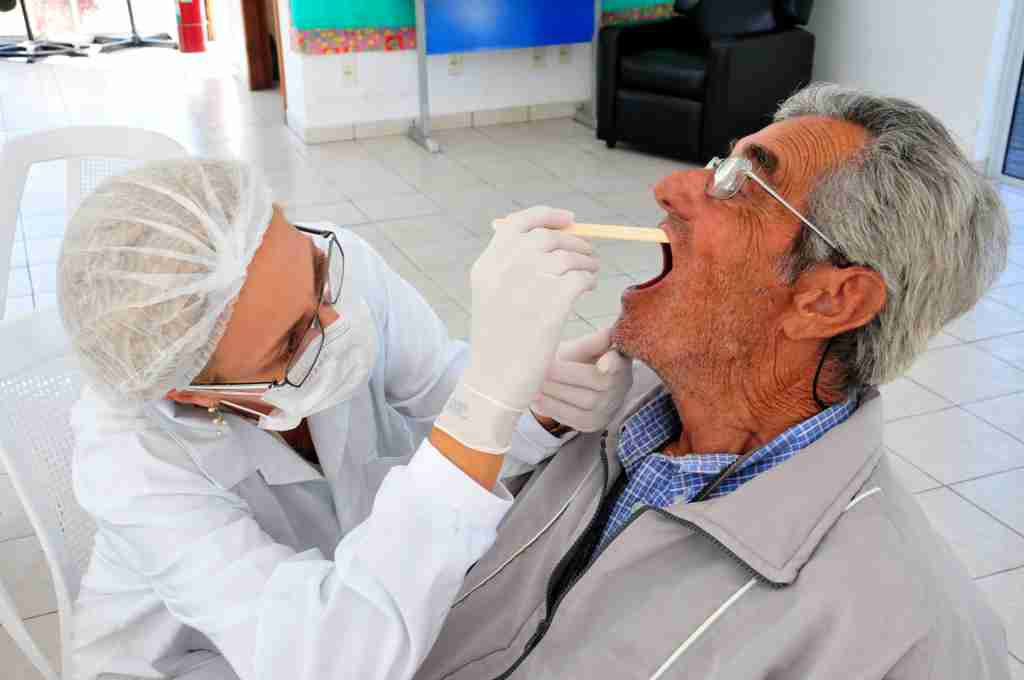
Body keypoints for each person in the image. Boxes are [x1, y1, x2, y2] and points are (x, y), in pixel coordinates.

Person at [413, 84, 1013, 680]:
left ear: (830, 300)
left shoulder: (912, 645)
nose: (670, 188)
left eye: (742, 186)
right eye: (720, 166)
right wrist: (517, 424)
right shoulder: (583, 411)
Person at [59, 158, 634, 680]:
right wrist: (486, 405)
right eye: (291, 341)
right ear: (194, 393)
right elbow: (328, 658)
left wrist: (540, 407)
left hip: (351, 591)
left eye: (315, 273)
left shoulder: (343, 264)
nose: (337, 322)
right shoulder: (130, 460)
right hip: (191, 661)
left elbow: (442, 392)